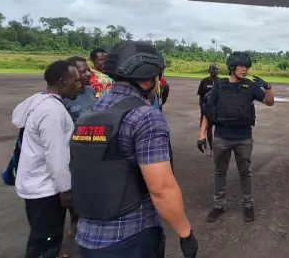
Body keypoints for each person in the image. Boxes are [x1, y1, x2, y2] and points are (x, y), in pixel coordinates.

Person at [70, 41, 198, 258]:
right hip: (130, 237)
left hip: (88, 237)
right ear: (149, 80)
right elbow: (161, 188)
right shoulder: (146, 116)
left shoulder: (90, 111)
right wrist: (185, 232)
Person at [11, 60, 82, 258]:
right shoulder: (52, 111)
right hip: (46, 189)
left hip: (34, 183)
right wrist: (65, 189)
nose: (79, 85)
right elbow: (56, 155)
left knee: (43, 236)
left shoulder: (38, 100)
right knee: (45, 242)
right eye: (75, 81)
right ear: (61, 82)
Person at [197, 52, 275, 222]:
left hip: (243, 138)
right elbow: (208, 111)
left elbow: (270, 102)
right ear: (232, 67)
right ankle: (219, 205)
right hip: (222, 137)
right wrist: (201, 134)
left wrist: (268, 87)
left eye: (246, 66)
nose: (244, 69)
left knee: (245, 172)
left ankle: (248, 204)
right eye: (241, 66)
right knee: (220, 172)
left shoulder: (250, 86)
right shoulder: (219, 85)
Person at [61, 56, 98, 243]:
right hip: (72, 151)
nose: (88, 74)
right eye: (82, 71)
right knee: (72, 189)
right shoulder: (62, 99)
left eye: (88, 70)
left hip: (92, 150)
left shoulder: (91, 91)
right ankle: (75, 219)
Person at [196, 63, 219, 157]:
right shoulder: (204, 81)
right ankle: (211, 149)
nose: (215, 71)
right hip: (207, 110)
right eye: (213, 69)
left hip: (218, 110)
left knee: (219, 130)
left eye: (216, 69)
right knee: (208, 130)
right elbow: (201, 96)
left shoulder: (221, 81)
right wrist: (202, 108)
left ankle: (219, 148)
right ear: (209, 70)